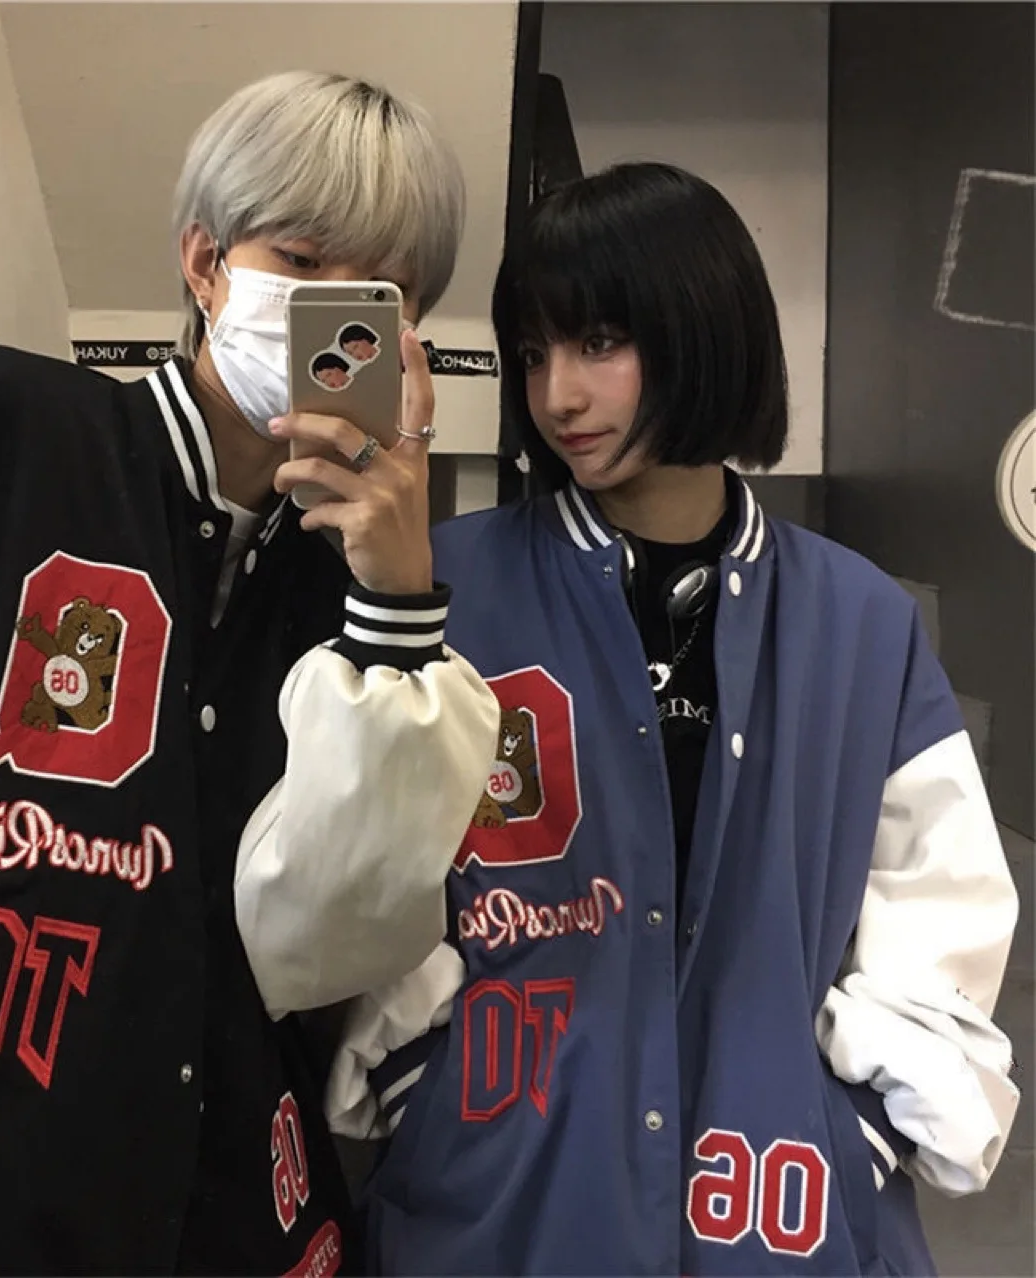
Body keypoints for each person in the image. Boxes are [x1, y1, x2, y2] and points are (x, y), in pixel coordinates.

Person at [0, 70, 500, 1275]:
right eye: (301, 260)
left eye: (385, 290)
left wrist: (396, 610)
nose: (336, 312)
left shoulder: (350, 595)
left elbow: (327, 946)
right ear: (205, 265)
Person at [321, 163, 1021, 1275]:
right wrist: (432, 1096)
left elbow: (943, 913)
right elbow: (361, 878)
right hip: (503, 1208)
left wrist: (860, 1136)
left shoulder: (859, 621)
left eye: (599, 343)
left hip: (776, 1212)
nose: (559, 396)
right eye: (534, 353)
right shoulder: (447, 591)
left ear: (703, 326)